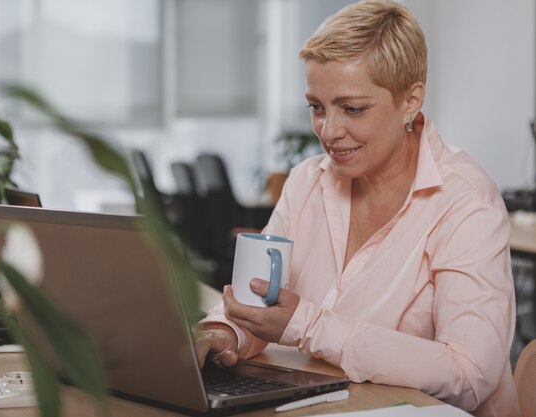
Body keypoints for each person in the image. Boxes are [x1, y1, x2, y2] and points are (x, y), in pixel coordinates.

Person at [194, 1, 520, 416]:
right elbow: (261, 302)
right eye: (316, 107)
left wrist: (312, 328)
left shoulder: (466, 201)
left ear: (411, 100)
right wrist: (226, 331)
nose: (328, 131)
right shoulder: (308, 181)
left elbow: (470, 374)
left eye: (352, 108)